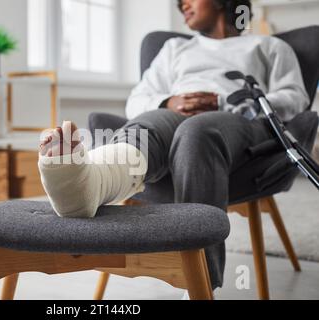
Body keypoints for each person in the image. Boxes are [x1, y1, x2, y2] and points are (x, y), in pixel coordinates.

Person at [37, 0, 310, 288]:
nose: (182, 4)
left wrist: (225, 102)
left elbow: (295, 98)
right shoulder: (175, 50)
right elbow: (137, 100)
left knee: (197, 132)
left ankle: (201, 282)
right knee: (149, 124)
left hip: (239, 125)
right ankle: (89, 186)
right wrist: (168, 101)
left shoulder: (267, 46)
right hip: (173, 116)